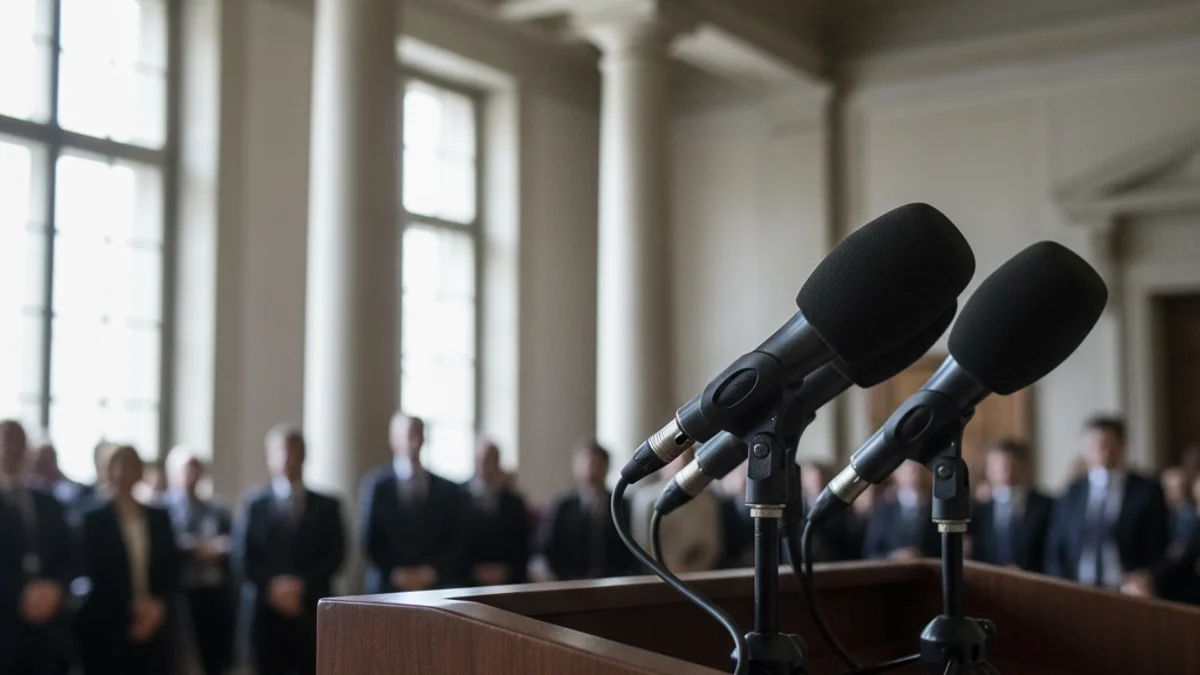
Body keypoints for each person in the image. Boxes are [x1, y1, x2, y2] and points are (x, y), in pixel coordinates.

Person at [237, 425, 345, 675]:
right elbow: (243, 557)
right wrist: (274, 588)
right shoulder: (254, 505)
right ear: (269, 458)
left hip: (310, 609)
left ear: (304, 456)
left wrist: (300, 585)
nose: (287, 459)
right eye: (281, 452)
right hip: (266, 612)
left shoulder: (328, 506)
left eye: (293, 452)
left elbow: (335, 554)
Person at [77, 444, 178, 675]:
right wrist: (131, 608)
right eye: (119, 465)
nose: (125, 471)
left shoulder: (159, 518)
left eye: (131, 464)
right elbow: (93, 570)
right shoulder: (93, 520)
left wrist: (157, 605)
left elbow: (170, 567)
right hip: (108, 623)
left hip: (154, 618)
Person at [1044, 417, 1170, 595]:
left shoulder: (1147, 491)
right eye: (1094, 444)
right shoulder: (1072, 493)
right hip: (1078, 589)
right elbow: (1055, 548)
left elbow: (1162, 547)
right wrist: (1060, 585)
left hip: (1127, 590)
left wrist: (1148, 576)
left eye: (1108, 443)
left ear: (1122, 445)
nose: (1102, 450)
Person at [359, 413, 469, 593]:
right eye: (409, 433)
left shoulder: (447, 489)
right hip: (388, 586)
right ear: (393, 439)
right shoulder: (376, 486)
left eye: (419, 433)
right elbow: (369, 538)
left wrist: (430, 572)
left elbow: (456, 538)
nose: (415, 440)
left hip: (436, 584)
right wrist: (396, 573)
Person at [0, 420, 73, 675]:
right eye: (7, 441)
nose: (14, 449)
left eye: (20, 442)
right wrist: (19, 595)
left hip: (48, 633)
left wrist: (55, 588)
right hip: (5, 627)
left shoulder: (48, 501)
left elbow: (70, 554)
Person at [165, 452, 236, 675]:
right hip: (180, 594)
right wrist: (198, 548)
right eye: (187, 469)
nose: (192, 475)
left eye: (196, 469)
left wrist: (209, 549)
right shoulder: (162, 510)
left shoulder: (217, 508)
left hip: (213, 592)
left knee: (214, 655)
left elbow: (233, 542)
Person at [542, 440, 634, 580]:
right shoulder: (563, 506)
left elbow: (628, 549)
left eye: (597, 464)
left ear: (606, 467)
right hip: (572, 582)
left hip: (613, 581)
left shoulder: (621, 504)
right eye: (586, 464)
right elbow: (551, 547)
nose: (591, 470)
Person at [630, 449, 723, 573]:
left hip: (697, 574)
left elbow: (711, 545)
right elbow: (641, 543)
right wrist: (665, 569)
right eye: (676, 462)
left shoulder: (707, 501)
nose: (681, 465)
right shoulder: (646, 499)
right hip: (656, 573)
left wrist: (689, 569)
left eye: (686, 462)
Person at [969, 439, 1053, 572]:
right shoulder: (979, 508)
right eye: (997, 465)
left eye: (1012, 465)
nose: (1006, 471)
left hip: (1036, 579)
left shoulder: (1047, 506)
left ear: (1024, 466)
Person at [463, 439, 530, 586]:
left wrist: (507, 571)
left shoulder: (515, 502)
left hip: (507, 581)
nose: (486, 465)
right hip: (467, 581)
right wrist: (473, 571)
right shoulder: (458, 498)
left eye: (491, 459)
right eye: (482, 459)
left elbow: (523, 545)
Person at [863, 460, 940, 560]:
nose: (914, 470)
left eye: (920, 466)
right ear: (895, 473)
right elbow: (871, 553)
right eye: (908, 466)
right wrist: (895, 557)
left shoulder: (941, 509)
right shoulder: (882, 510)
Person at [800, 463, 864, 562]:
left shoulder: (840, 508)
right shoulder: (796, 511)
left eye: (819, 476)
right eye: (811, 478)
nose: (817, 480)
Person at [1161, 467, 1197, 550]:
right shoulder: (1157, 512)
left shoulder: (1189, 516)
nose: (1170, 492)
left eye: (1176, 488)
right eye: (1168, 488)